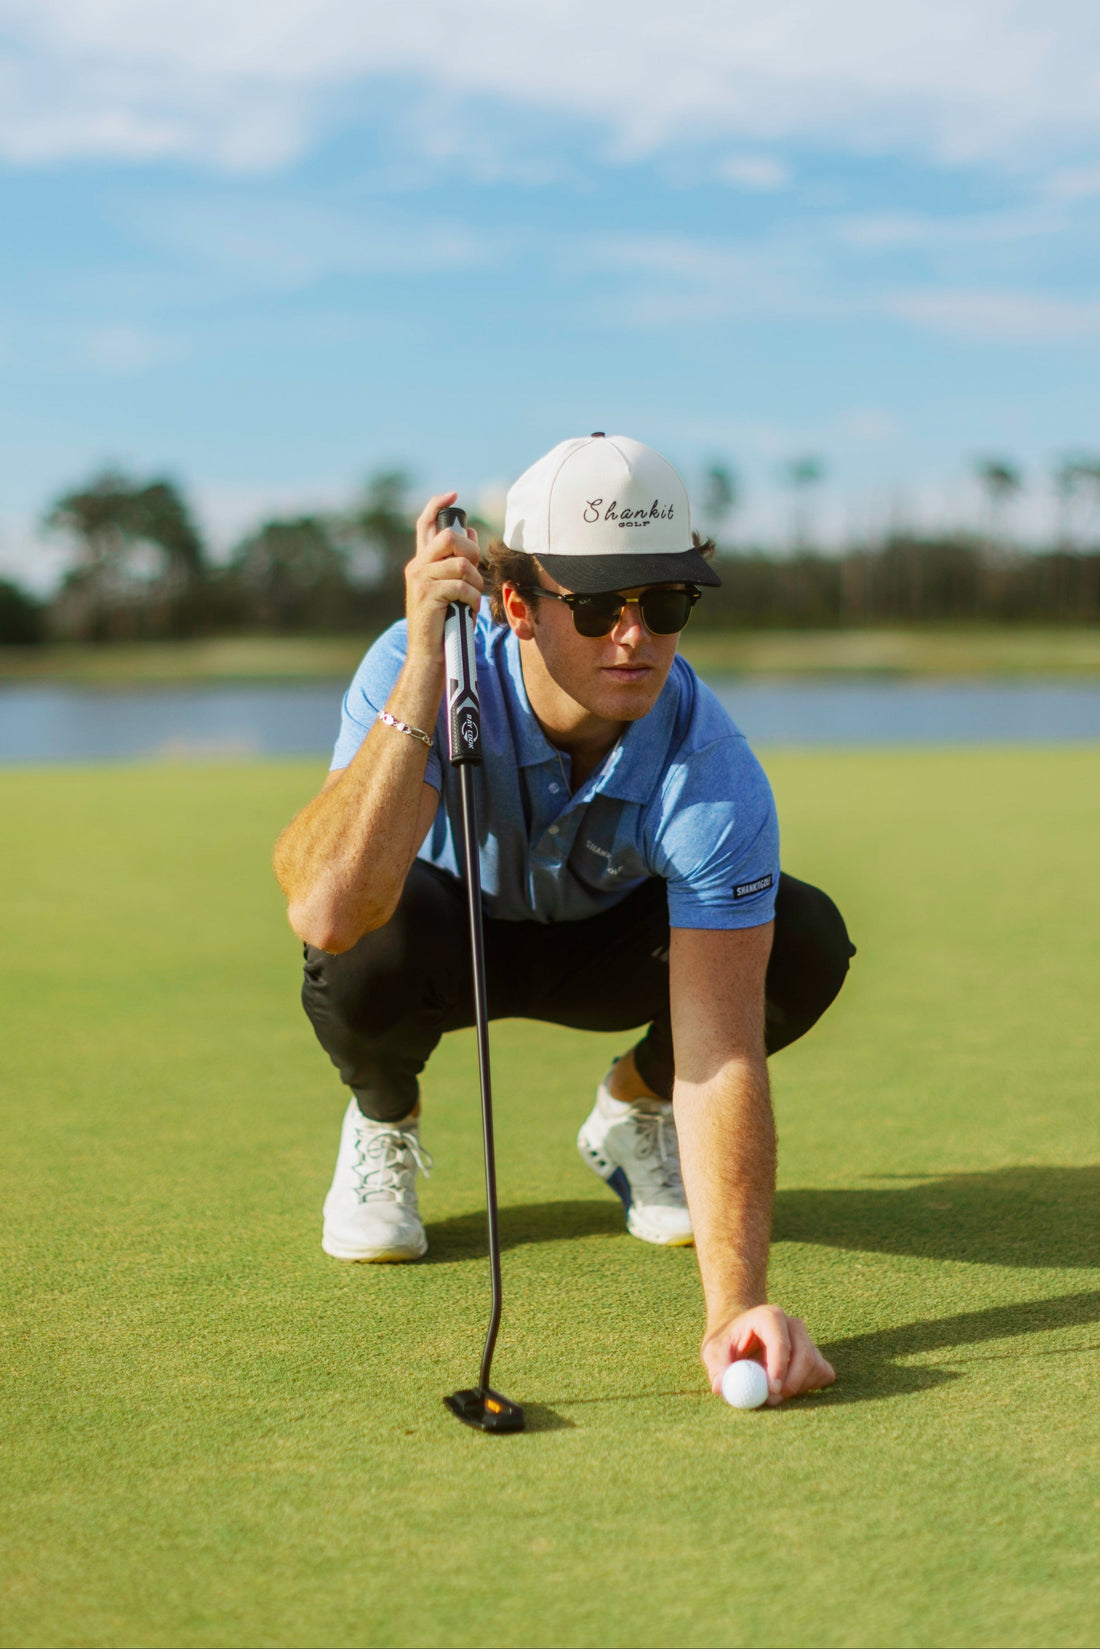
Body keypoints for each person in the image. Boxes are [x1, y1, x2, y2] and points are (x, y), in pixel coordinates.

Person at [273, 433, 854, 1405]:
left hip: (613, 943)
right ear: (517, 606)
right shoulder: (415, 662)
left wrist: (734, 1306)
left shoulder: (711, 770)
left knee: (799, 938)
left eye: (663, 602)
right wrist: (425, 663)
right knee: (368, 937)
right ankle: (384, 1116)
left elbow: (721, 1053)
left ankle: (631, 1109)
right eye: (594, 606)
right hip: (441, 937)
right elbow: (329, 906)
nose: (633, 638)